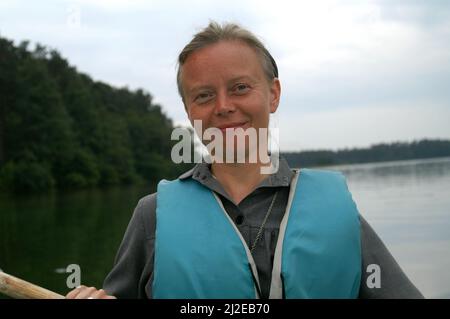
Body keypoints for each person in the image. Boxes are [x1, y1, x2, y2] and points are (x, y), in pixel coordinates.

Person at [66, 21, 423, 299]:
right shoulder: (151, 217)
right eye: (204, 95)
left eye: (240, 87)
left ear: (273, 94)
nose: (223, 107)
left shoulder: (335, 210)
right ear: (190, 112)